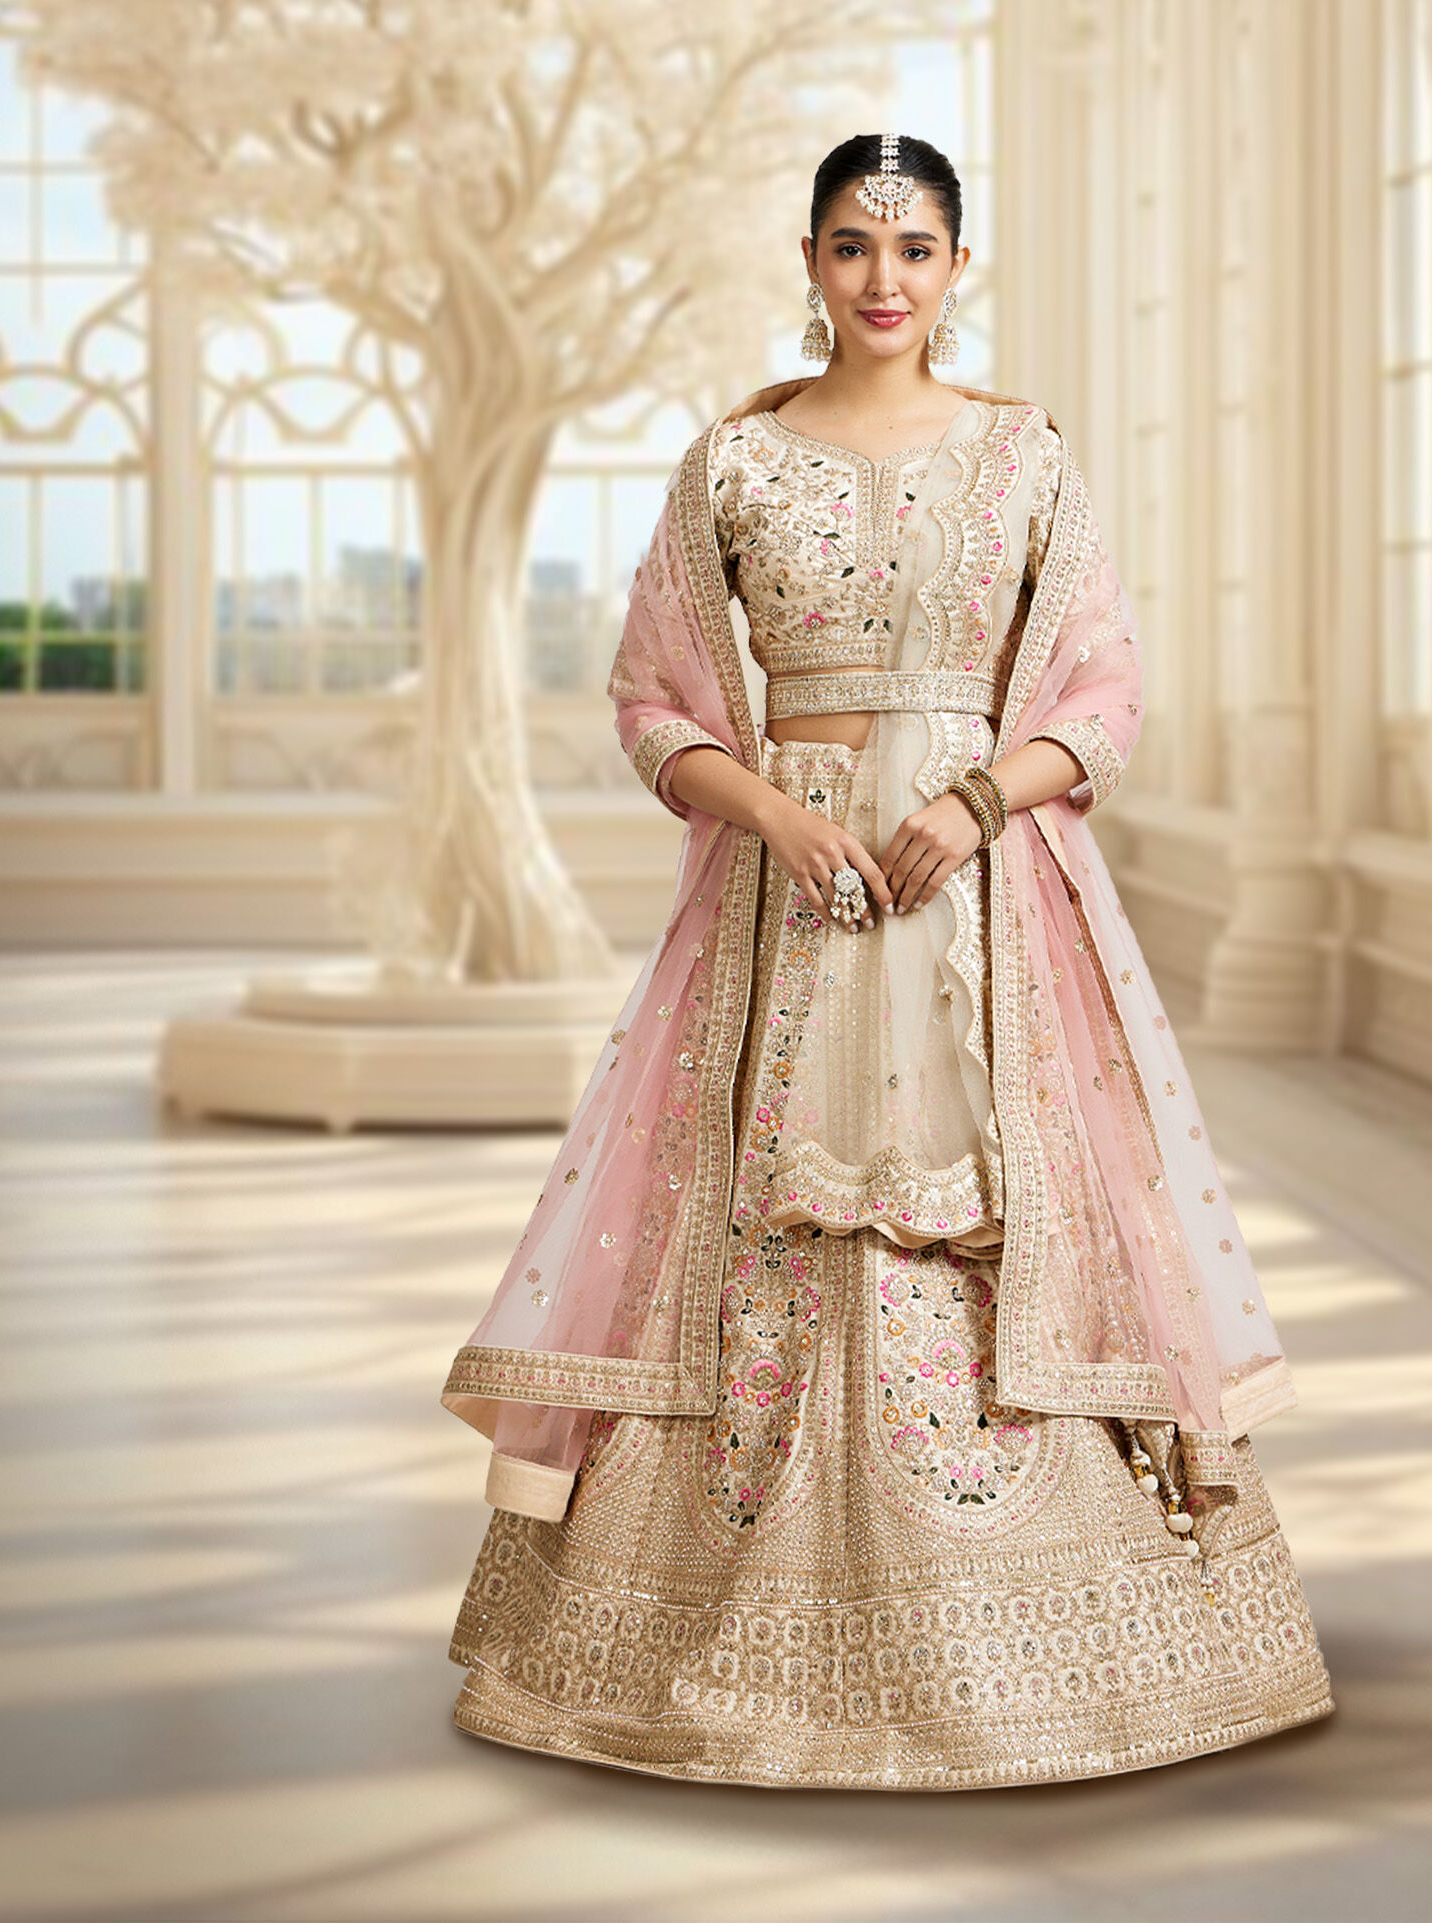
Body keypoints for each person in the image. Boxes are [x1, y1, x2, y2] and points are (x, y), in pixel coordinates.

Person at [438, 132, 1335, 1790]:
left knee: (992, 1201)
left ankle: (1041, 1644)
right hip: (789, 903)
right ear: (808, 260)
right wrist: (775, 815)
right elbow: (649, 704)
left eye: (916, 250)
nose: (883, 280)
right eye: (854, 246)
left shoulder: (1024, 457)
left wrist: (983, 799)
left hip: (975, 902)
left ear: (958, 271)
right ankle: (696, 1633)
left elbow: (1104, 696)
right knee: (759, 1204)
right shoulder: (733, 462)